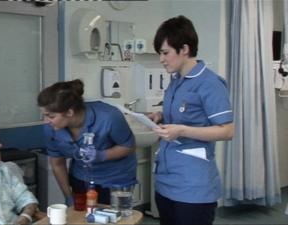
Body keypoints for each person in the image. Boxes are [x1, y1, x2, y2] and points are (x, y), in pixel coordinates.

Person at [148, 15, 234, 225]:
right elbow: (182, 115)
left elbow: (227, 130)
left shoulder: (209, 83)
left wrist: (182, 130)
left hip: (193, 186)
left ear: (184, 49)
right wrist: (159, 116)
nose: (161, 59)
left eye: (165, 52)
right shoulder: (176, 81)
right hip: (167, 181)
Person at [37, 79, 137, 206]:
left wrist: (101, 155)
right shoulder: (51, 128)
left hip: (115, 179)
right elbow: (57, 163)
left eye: (51, 116)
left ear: (69, 112)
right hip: (81, 177)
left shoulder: (109, 117)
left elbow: (129, 146)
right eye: (44, 115)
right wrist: (68, 195)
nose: (46, 121)